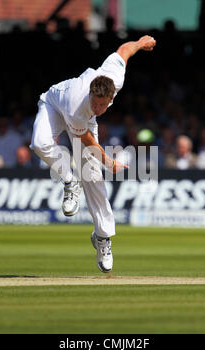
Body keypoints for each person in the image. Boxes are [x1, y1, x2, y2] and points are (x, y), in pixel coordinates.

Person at [30, 35, 156, 273]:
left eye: (102, 105)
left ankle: (103, 238)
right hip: (55, 106)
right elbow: (85, 139)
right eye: (95, 103)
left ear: (111, 96)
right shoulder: (80, 104)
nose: (99, 108)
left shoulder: (114, 76)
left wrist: (141, 43)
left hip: (85, 123)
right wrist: (109, 161)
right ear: (90, 94)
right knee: (39, 143)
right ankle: (69, 180)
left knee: (94, 179)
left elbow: (123, 50)